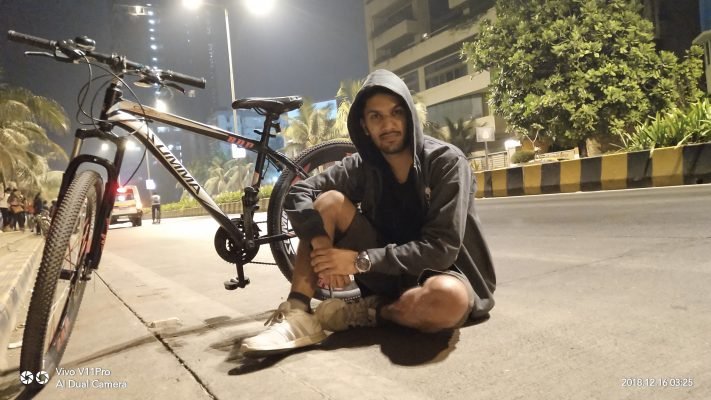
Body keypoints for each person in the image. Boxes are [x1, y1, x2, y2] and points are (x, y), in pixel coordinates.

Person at [240, 69, 496, 357]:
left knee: (447, 300)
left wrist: (359, 261)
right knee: (330, 201)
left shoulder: (446, 163)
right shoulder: (362, 166)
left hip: (442, 273)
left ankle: (373, 312)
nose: (388, 124)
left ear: (409, 115)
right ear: (364, 125)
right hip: (384, 274)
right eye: (376, 116)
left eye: (396, 112)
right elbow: (299, 192)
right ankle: (298, 314)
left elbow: (441, 249)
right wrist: (323, 247)